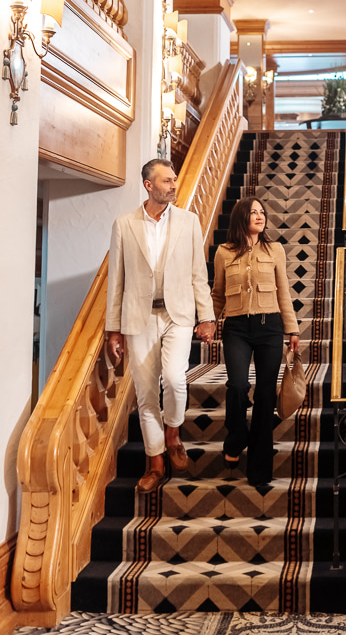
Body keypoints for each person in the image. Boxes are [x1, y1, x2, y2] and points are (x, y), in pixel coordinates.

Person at [106, 158, 216, 493]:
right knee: (145, 391)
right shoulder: (124, 225)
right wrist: (113, 329)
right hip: (138, 317)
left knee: (173, 378)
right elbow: (117, 280)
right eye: (166, 180)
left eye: (174, 180)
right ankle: (154, 461)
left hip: (178, 313)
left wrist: (207, 316)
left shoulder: (189, 221)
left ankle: (173, 434)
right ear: (148, 185)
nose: (173, 185)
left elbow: (199, 273)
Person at [212, 196, 299, 487]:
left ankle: (260, 466)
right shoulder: (224, 252)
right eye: (253, 212)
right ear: (241, 217)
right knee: (237, 385)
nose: (260, 217)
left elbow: (283, 291)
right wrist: (210, 322)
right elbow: (218, 294)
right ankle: (236, 436)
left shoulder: (275, 249)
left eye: (263, 212)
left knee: (264, 395)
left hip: (269, 326)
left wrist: (293, 330)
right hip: (236, 327)